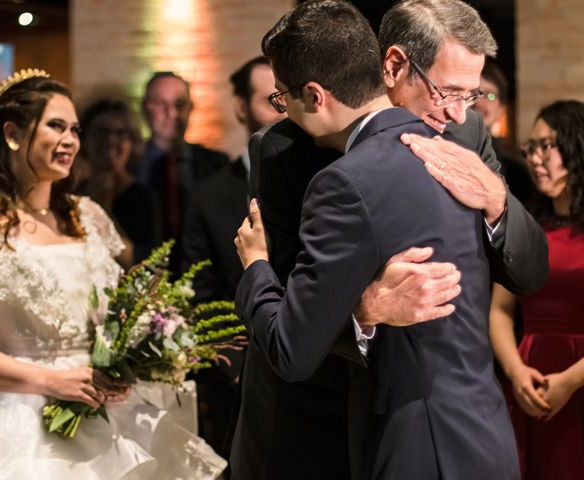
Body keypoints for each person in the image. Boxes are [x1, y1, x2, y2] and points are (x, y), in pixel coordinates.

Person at [231, 1, 548, 478]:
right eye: (447, 91)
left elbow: (528, 270)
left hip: (425, 417)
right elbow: (289, 297)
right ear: (395, 66)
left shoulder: (464, 136)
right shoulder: (284, 146)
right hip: (314, 415)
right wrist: (362, 311)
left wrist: (499, 202)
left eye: (472, 95)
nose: (459, 114)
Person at [0, 70, 226, 479]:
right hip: (16, 418)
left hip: (104, 407)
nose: (71, 140)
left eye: (75, 129)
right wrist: (51, 381)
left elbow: (119, 314)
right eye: (56, 126)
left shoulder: (88, 216)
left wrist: (131, 360)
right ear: (12, 133)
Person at [182, 57, 284, 458]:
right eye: (267, 101)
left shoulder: (323, 180)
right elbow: (200, 293)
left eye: (284, 100)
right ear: (240, 106)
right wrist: (236, 366)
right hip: (238, 376)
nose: (279, 114)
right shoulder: (210, 195)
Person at [489, 100, 584, 480]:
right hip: (530, 374)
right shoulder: (526, 225)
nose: (535, 158)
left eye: (547, 145)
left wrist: (570, 381)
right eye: (531, 148)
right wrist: (515, 371)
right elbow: (500, 309)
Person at [137, 71, 229, 272]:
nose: (172, 114)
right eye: (159, 104)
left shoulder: (218, 165)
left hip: (202, 277)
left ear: (191, 108)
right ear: (144, 108)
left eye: (179, 104)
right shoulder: (128, 165)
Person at [76, 98, 159, 268]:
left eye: (120, 133)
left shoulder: (143, 197)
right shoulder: (73, 192)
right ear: (84, 138)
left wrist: (101, 211)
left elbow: (144, 265)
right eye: (101, 132)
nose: (110, 141)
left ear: (131, 142)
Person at [472, 58, 534, 204]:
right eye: (474, 93)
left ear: (501, 109)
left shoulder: (517, 171)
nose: (479, 102)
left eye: (490, 95)